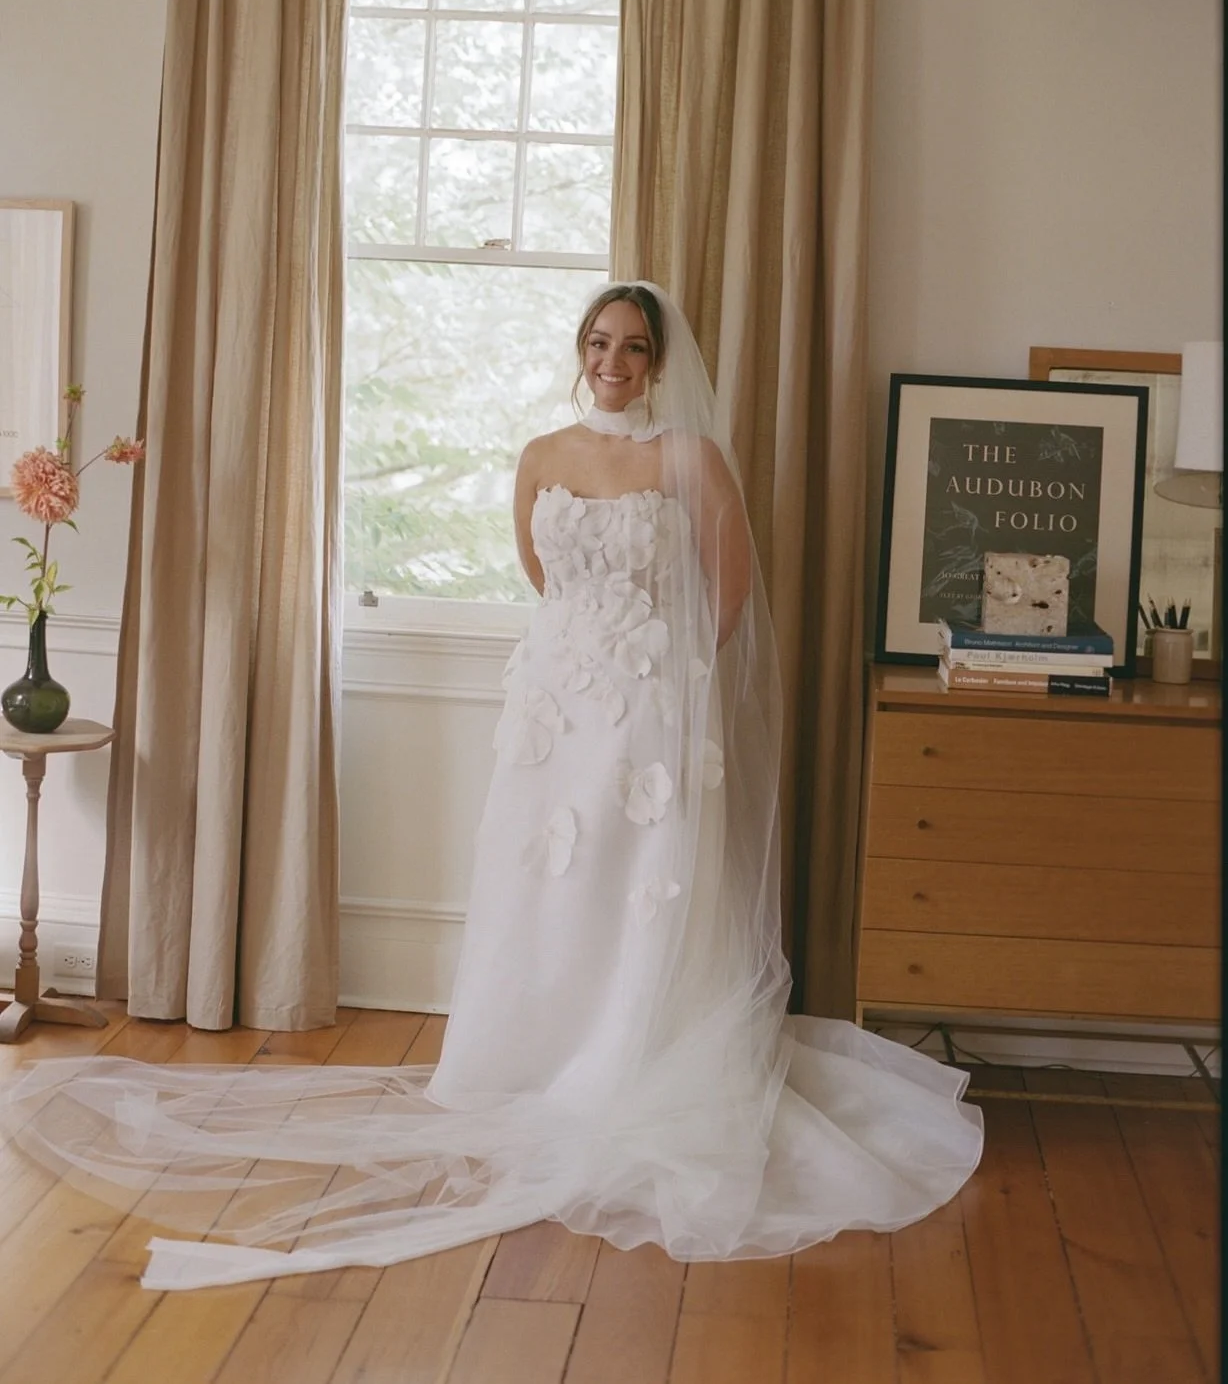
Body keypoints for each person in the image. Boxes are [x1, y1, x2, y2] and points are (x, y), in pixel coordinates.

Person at [0, 283, 982, 1291]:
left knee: (642, 892)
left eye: (633, 347)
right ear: (580, 348)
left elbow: (728, 593)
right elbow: (538, 569)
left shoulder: (689, 457)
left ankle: (625, 1070)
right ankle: (526, 1066)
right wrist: (582, 659)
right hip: (553, 713)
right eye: (599, 342)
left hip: (648, 716)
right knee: (548, 887)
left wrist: (667, 688)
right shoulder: (542, 456)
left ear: (657, 360)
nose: (614, 360)